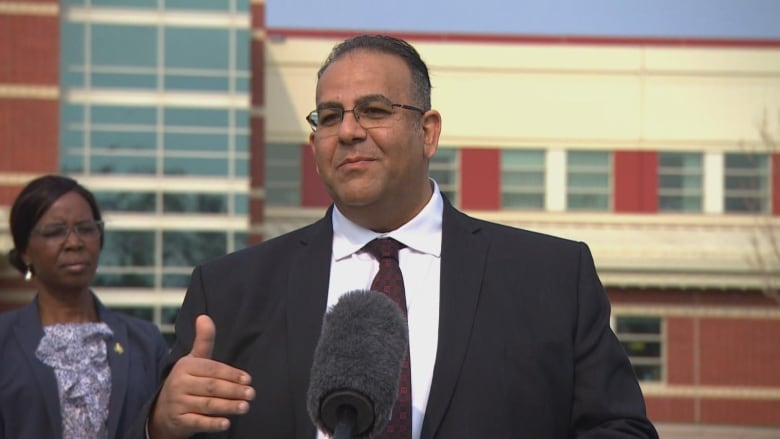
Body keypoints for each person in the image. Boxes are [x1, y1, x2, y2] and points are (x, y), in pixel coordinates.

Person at [130, 34, 659, 438]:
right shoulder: (229, 291)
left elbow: (620, 429)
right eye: (329, 116)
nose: (349, 130)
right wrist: (160, 424)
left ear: (428, 131)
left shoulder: (549, 277)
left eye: (375, 110)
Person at [0, 174, 169, 439]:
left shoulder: (146, 343)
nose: (74, 243)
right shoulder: (4, 341)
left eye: (86, 228)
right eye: (55, 231)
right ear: (24, 251)